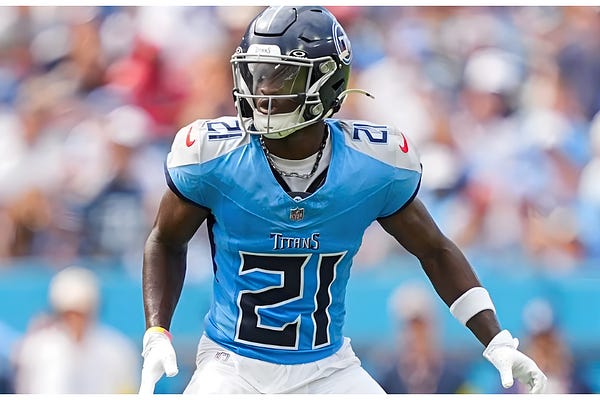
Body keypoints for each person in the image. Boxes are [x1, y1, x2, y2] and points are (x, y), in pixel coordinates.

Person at [139, 6, 547, 394]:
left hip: (327, 367)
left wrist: (496, 340)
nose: (262, 90)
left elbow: (435, 250)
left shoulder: (371, 167)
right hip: (232, 363)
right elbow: (165, 239)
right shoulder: (214, 157)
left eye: (282, 77)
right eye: (256, 73)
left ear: (328, 83)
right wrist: (157, 332)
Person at [12, 266, 139, 393]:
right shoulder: (36, 349)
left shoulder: (117, 350)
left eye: (81, 313)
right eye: (69, 314)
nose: (75, 320)